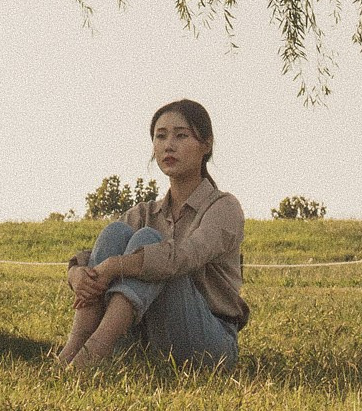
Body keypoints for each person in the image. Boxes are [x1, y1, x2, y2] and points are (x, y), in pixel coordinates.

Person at [56, 99, 248, 371]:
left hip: (207, 343)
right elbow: (96, 255)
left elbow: (183, 257)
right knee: (116, 233)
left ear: (206, 144)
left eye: (181, 135)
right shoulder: (146, 212)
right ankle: (75, 346)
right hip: (146, 336)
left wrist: (117, 266)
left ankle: (94, 352)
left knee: (149, 242)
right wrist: (75, 273)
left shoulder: (224, 207)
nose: (169, 145)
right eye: (161, 136)